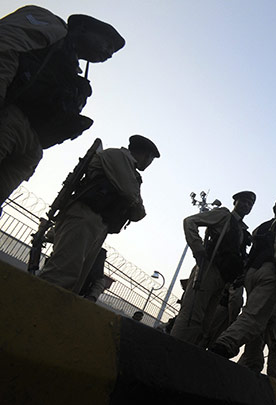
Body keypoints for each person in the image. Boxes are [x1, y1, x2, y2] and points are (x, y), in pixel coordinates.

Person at [0, 6, 125, 204]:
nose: (109, 53)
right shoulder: (52, 25)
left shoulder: (73, 70)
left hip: (31, 145)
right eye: (108, 44)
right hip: (9, 118)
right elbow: (6, 44)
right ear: (83, 27)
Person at [39, 135, 159, 293]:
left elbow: (138, 213)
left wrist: (134, 201)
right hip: (85, 216)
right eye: (151, 159)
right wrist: (134, 201)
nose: (149, 163)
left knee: (73, 283)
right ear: (146, 155)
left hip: (98, 224)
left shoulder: (131, 172)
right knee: (61, 274)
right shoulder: (119, 157)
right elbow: (131, 195)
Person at [210, 199, 276, 367]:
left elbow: (252, 254)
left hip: (253, 274)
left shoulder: (261, 228)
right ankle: (225, 343)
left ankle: (252, 362)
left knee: (262, 319)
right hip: (270, 273)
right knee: (254, 316)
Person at [171, 191, 255, 347]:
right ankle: (172, 351)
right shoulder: (223, 215)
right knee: (191, 316)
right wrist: (198, 249)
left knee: (204, 325)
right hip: (208, 269)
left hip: (223, 279)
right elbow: (190, 221)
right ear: (235, 202)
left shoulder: (242, 230)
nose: (246, 206)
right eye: (243, 201)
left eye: (250, 204)